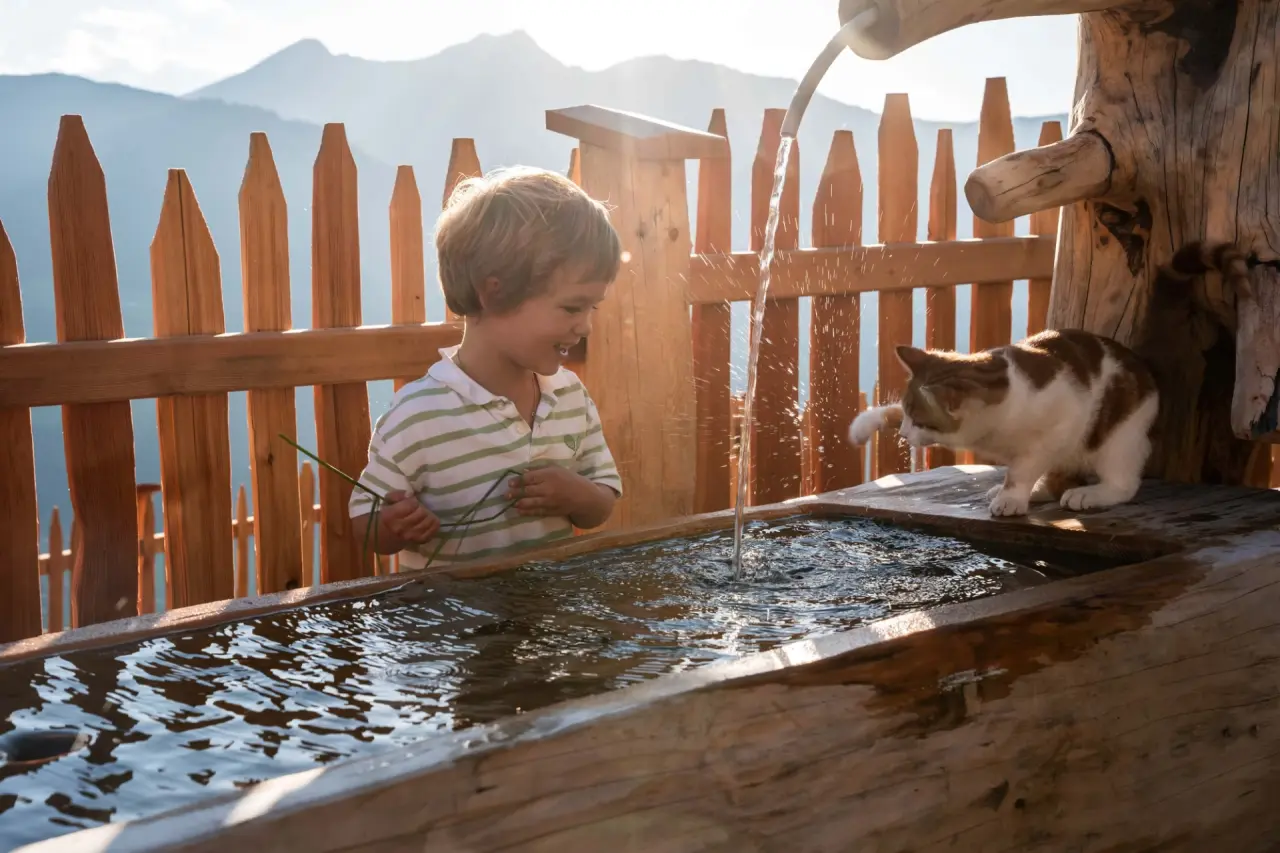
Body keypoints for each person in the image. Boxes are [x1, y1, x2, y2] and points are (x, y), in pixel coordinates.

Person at [348, 166, 623, 569]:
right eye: (571, 307)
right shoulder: (418, 415)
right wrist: (395, 524)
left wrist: (578, 495)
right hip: (452, 627)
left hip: (544, 622)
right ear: (494, 294)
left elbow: (602, 501)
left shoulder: (569, 397)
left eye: (591, 307)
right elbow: (366, 526)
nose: (585, 326)